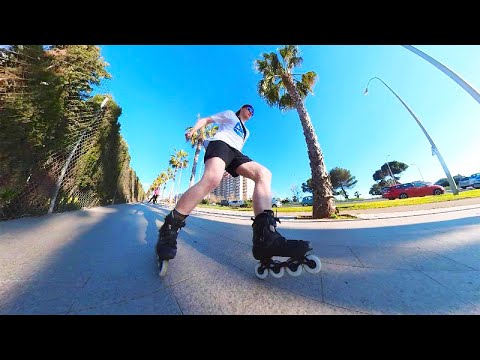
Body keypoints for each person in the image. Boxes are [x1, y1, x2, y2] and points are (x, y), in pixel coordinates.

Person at [155, 104, 311, 272]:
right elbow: (206, 120)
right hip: (220, 144)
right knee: (212, 178)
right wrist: (194, 130)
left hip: (235, 153)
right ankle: (169, 226)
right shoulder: (229, 114)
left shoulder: (247, 132)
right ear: (241, 109)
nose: (251, 112)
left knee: (264, 173)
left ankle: (266, 238)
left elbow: (237, 150)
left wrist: (230, 167)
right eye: (248, 108)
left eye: (253, 111)